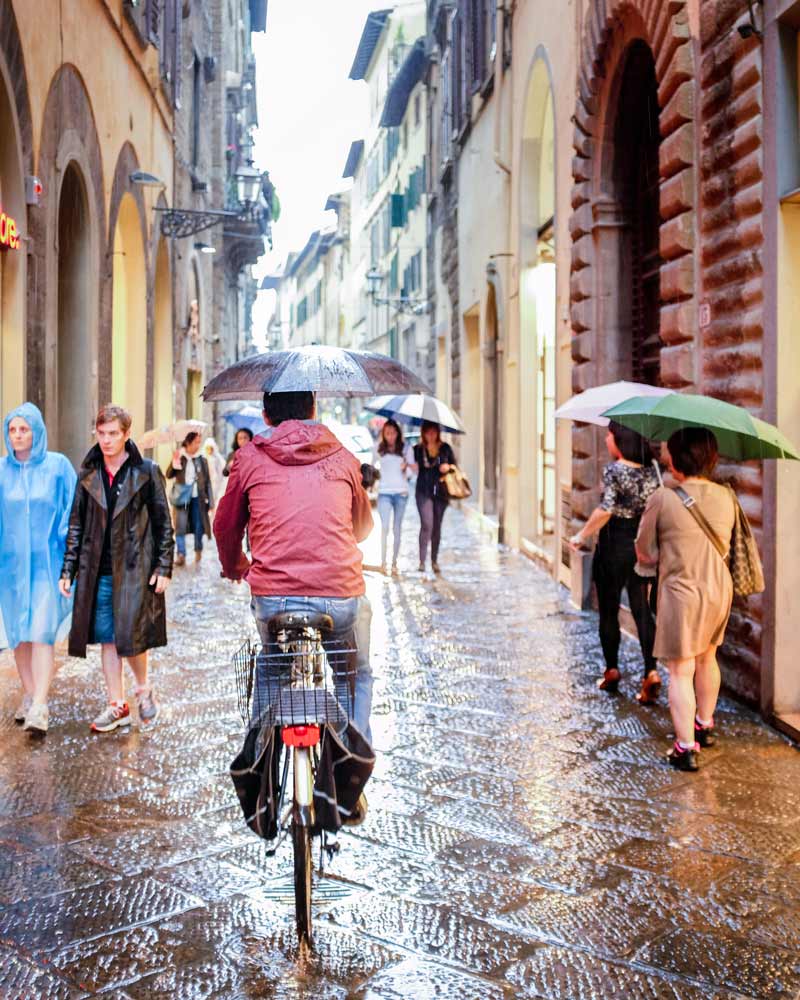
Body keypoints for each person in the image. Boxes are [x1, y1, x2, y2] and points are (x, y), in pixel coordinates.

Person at [213, 390, 375, 756]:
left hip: (273, 597)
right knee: (354, 673)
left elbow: (225, 526)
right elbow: (363, 528)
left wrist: (236, 566)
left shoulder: (249, 457)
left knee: (272, 669)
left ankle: (258, 761)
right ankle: (353, 758)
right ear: (313, 410)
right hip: (340, 594)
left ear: (266, 416)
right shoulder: (343, 457)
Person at [59, 405, 173, 733]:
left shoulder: (146, 471)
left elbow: (164, 523)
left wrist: (164, 566)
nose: (107, 440)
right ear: (96, 433)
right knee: (109, 639)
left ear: (126, 434)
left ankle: (143, 688)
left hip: (136, 569)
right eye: (102, 433)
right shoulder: (89, 474)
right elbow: (76, 525)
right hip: (99, 571)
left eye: (113, 434)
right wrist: (69, 569)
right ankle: (117, 705)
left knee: (131, 638)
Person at [636, 428, 736, 772]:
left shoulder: (663, 497)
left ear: (676, 459)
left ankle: (685, 747)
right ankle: (704, 726)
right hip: (719, 589)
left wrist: (656, 559)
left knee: (680, 669)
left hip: (682, 592)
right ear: (711, 459)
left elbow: (644, 550)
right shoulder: (728, 497)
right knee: (709, 658)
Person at [569, 420, 660, 702]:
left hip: (612, 544)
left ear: (620, 440)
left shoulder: (614, 469)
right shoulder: (652, 471)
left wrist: (582, 535)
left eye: (609, 435)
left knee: (608, 609)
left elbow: (606, 508)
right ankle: (651, 672)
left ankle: (611, 670)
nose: (607, 440)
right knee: (642, 609)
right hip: (640, 544)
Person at [0, 403, 77, 736]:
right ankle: (30, 693)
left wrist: (69, 564)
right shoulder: (1, 470)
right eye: (12, 430)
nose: (18, 436)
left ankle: (41, 706)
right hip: (11, 566)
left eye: (24, 429)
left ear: (37, 431)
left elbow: (73, 512)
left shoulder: (58, 467)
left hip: (48, 564)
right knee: (19, 636)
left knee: (42, 632)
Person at [410, 420, 455, 575]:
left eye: (433, 432)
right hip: (423, 491)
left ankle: (434, 561)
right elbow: (410, 465)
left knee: (436, 527)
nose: (430, 435)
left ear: (437, 432)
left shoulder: (445, 448)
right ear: (423, 433)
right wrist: (411, 467)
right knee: (427, 524)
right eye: (427, 432)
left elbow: (454, 465)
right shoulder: (417, 449)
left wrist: (448, 467)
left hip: (441, 493)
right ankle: (422, 561)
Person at [166, 431, 214, 566]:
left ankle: (198, 549)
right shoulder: (180, 458)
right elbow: (168, 475)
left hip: (197, 498)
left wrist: (211, 501)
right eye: (196, 442)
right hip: (182, 498)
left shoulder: (201, 459)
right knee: (179, 527)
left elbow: (208, 481)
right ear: (188, 442)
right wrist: (174, 462)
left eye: (199, 442)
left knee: (199, 526)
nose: (198, 445)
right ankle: (181, 554)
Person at [373, 418, 413, 575]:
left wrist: (406, 468)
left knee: (397, 529)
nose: (390, 436)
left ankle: (394, 563)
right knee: (384, 528)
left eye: (392, 433)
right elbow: (372, 467)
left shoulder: (406, 449)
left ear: (397, 433)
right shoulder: (378, 448)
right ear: (383, 434)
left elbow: (411, 472)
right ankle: (383, 563)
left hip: (401, 493)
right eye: (387, 433)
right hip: (384, 493)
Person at [203, 437, 226, 504]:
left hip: (216, 483)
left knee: (215, 500)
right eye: (207, 448)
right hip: (206, 483)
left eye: (211, 448)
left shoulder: (218, 458)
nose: (209, 450)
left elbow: (222, 471)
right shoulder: (203, 458)